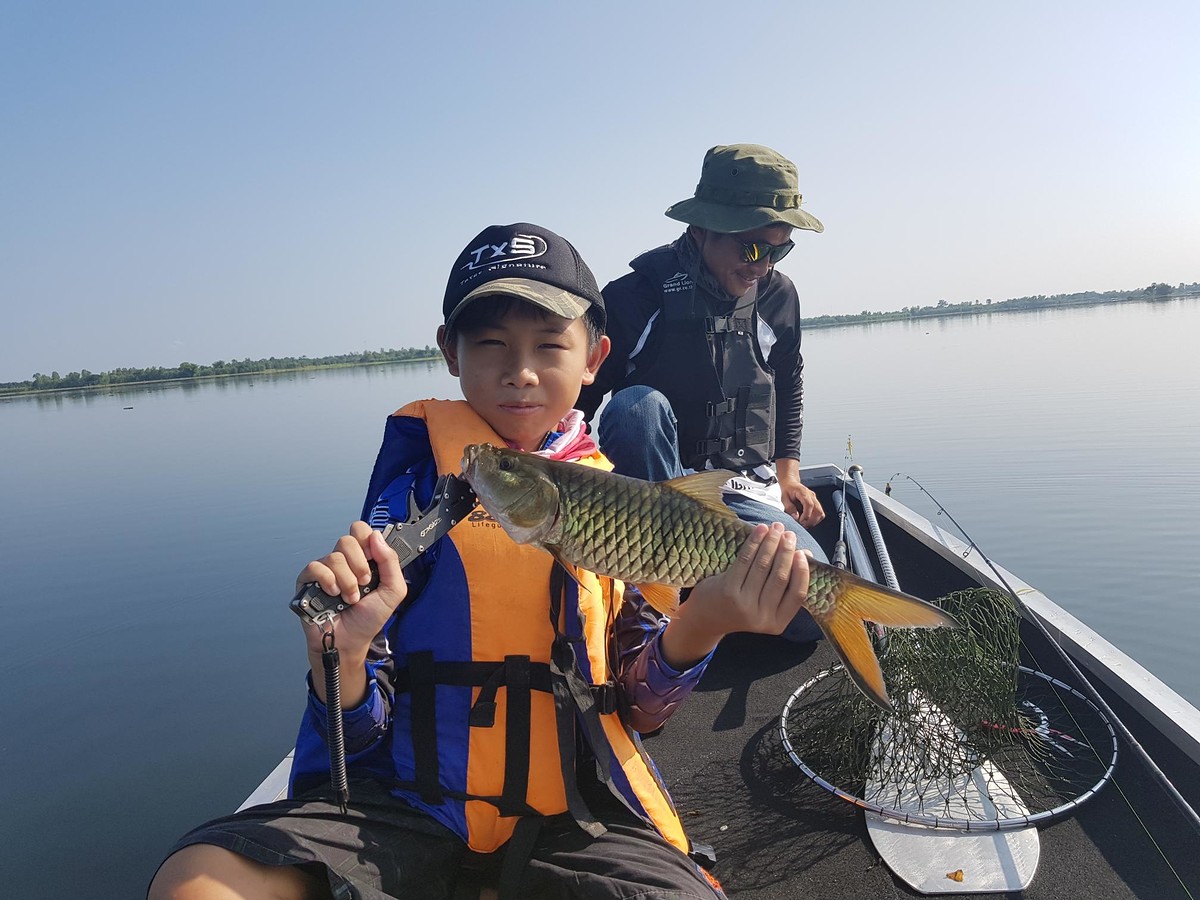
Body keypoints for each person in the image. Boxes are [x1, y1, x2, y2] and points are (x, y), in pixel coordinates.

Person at [149, 222, 815, 900]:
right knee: (197, 882)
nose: (519, 371)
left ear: (595, 358)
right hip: (407, 808)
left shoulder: (628, 507)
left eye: (550, 345)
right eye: (490, 343)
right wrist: (341, 661)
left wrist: (702, 623)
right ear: (451, 351)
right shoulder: (409, 506)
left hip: (578, 818)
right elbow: (360, 728)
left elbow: (642, 711)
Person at [577, 144, 828, 642]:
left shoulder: (779, 295)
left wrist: (789, 474)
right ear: (700, 229)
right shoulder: (631, 299)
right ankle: (659, 586)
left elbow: (788, 381)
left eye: (780, 249)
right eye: (752, 248)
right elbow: (575, 408)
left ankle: (691, 600)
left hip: (742, 488)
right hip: (648, 508)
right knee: (636, 408)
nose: (763, 264)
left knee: (809, 612)